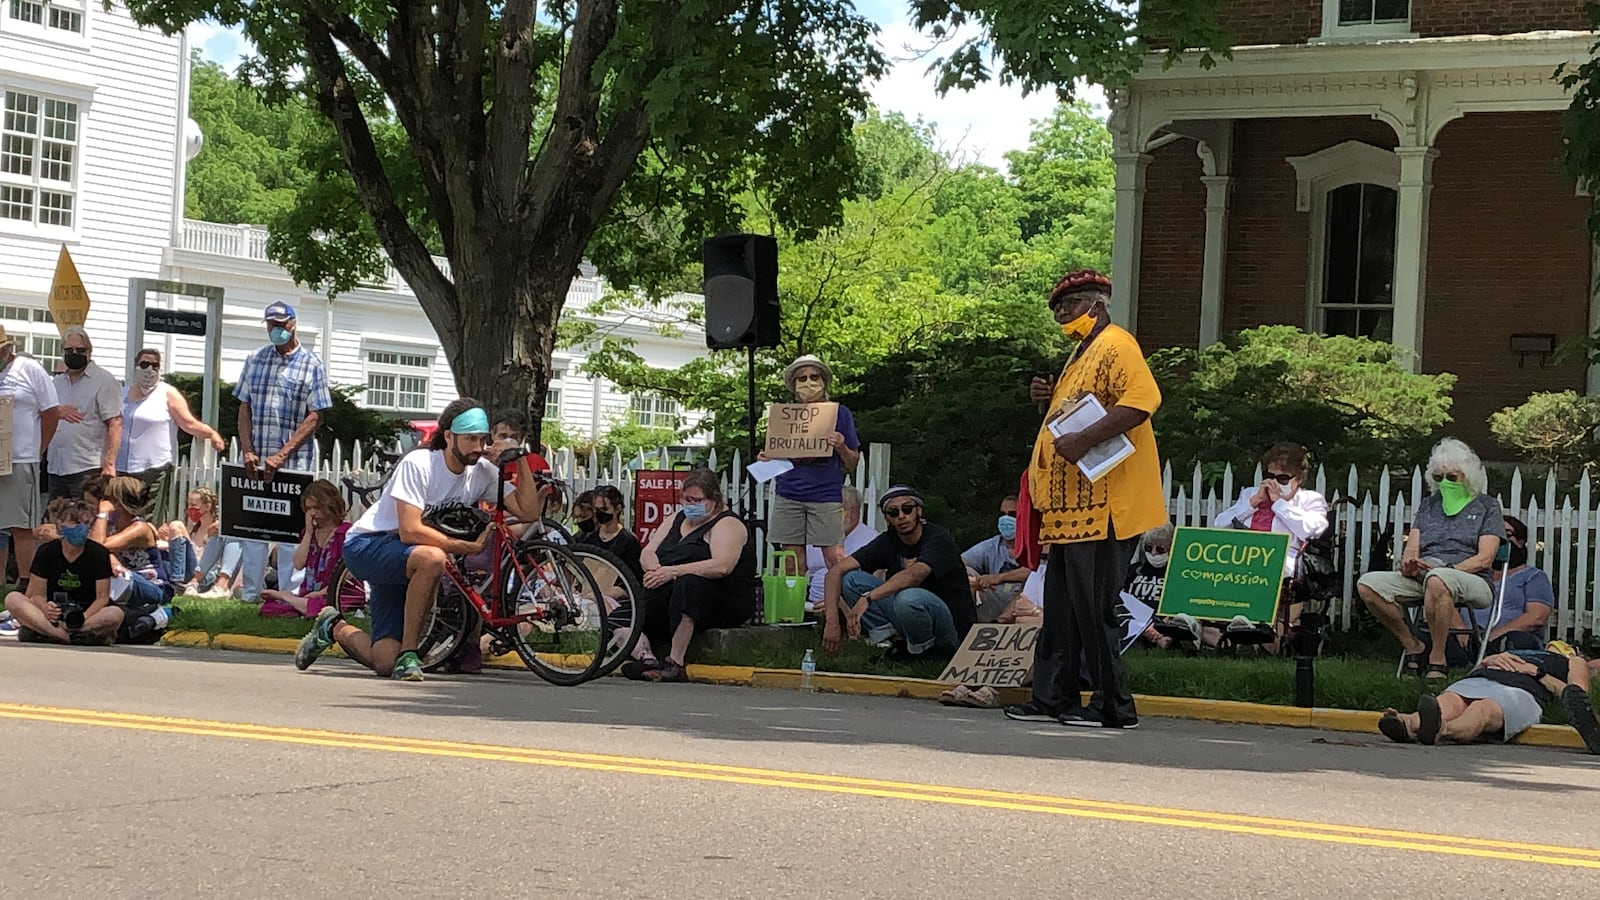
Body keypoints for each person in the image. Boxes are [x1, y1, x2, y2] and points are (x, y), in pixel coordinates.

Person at [1005, 269, 1166, 730]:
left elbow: (1142, 400)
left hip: (1105, 509)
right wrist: (1048, 397)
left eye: (1070, 306)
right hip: (1071, 515)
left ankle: (1114, 704)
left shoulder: (1116, 344)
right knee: (1061, 607)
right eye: (1057, 309)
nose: (1061, 315)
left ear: (1096, 305)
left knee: (1095, 607)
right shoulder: (1082, 354)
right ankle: (1053, 694)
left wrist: (1082, 440)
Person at [293, 399, 543, 681]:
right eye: (470, 439)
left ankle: (332, 626)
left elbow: (529, 511)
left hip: (408, 556)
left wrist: (518, 458)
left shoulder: (482, 473)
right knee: (434, 557)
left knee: (383, 663)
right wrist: (466, 547)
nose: (478, 446)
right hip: (369, 545)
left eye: (483, 439)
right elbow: (409, 531)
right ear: (449, 436)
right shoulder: (421, 463)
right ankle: (409, 655)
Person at [1357, 438, 1503, 679]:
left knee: (1438, 579)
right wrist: (1410, 564)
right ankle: (1413, 645)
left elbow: (1484, 559)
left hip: (1471, 577)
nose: (1445, 483)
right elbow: (1412, 548)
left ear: (1468, 476)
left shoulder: (1487, 507)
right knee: (1368, 584)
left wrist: (1446, 569)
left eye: (1452, 477)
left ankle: (1438, 657)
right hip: (1426, 574)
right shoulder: (1429, 505)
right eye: (1438, 478)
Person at [233, 302, 333, 603]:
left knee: (292, 534)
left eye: (280, 323)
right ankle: (251, 594)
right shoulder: (255, 360)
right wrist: (248, 450)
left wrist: (282, 454)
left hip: (294, 464)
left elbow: (315, 416)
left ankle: (289, 596)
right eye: (270, 324)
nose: (275, 329)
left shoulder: (311, 364)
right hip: (256, 462)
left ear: (293, 324)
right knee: (252, 531)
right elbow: (244, 407)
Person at [820, 485, 976, 660]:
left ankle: (924, 653)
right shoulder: (888, 540)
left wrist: (868, 597)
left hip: (951, 626)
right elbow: (835, 572)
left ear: (919, 511)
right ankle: (896, 640)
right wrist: (831, 621)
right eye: (893, 512)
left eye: (907, 509)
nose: (901, 516)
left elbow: (914, 575)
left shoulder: (938, 537)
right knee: (850, 580)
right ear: (887, 519)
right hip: (909, 613)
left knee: (909, 597)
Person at [631, 468, 757, 683]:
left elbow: (722, 566)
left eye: (696, 500)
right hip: (669, 588)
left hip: (720, 596)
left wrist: (672, 572)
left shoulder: (727, 524)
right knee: (633, 601)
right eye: (686, 499)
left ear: (713, 499)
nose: (690, 505)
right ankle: (646, 656)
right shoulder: (676, 519)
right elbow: (648, 550)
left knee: (688, 584)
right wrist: (653, 568)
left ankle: (676, 660)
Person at [1377, 644, 1600, 752]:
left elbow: (1575, 695)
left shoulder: (1572, 661)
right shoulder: (1519, 649)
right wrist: (1486, 661)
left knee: (1483, 709)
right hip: (1483, 677)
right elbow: (1473, 670)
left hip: (1521, 690)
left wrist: (1538, 673)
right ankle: (1408, 724)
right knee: (1449, 701)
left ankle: (1441, 730)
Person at [1214, 443, 1330, 650]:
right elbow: (1220, 524)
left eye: (1282, 478)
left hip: (1282, 560)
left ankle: (1251, 632)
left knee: (1273, 567)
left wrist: (1279, 504)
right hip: (1242, 557)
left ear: (1299, 479)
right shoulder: (1251, 493)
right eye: (1270, 475)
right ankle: (1203, 624)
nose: (1275, 483)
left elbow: (1311, 530)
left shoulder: (1309, 499)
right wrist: (1252, 503)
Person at [765, 354, 861, 578]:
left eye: (814, 376)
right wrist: (767, 460)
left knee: (836, 558)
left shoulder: (840, 414)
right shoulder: (784, 417)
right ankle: (793, 612)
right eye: (802, 378)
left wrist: (841, 446)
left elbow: (852, 462)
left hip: (825, 496)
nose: (809, 382)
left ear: (824, 381)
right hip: (788, 494)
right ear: (794, 385)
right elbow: (779, 460)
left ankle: (842, 611)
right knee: (791, 563)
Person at [2, 499, 118, 644]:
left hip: (86, 614)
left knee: (115, 614)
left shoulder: (99, 553)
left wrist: (82, 618)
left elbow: (102, 598)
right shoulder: (46, 551)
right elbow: (37, 594)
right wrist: (45, 608)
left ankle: (49, 633)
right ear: (61, 525)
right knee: (13, 598)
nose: (81, 528)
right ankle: (66, 636)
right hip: (52, 612)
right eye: (75, 523)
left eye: (86, 523)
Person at [116, 348, 227, 494]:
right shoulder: (122, 393)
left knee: (149, 515)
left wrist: (211, 433)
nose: (150, 369)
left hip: (154, 468)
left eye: (154, 366)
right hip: (121, 468)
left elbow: (188, 423)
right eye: (144, 364)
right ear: (136, 366)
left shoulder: (167, 393)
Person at [0, 325, 60, 591]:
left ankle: (29, 587)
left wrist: (39, 449)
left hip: (21, 459)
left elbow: (51, 412)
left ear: (7, 348)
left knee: (21, 527)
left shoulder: (29, 369)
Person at [259, 479, 364, 618]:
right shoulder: (309, 534)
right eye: (308, 509)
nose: (312, 513)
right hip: (310, 593)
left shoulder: (345, 533)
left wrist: (322, 593)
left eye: (316, 507)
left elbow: (348, 573)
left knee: (321, 608)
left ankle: (289, 598)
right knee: (269, 608)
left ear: (330, 505)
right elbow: (298, 564)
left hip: (340, 592)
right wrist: (308, 533)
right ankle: (296, 602)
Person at [46, 327, 122, 501]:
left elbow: (115, 423)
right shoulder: (56, 383)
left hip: (87, 467)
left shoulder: (104, 381)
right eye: (69, 350)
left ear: (89, 351)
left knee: (85, 522)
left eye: (80, 350)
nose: (74, 353)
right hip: (57, 466)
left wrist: (109, 464)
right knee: (56, 522)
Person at [86, 475, 172, 609]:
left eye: (108, 498)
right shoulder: (110, 525)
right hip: (125, 582)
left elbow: (97, 547)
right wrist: (110, 556)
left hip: (151, 586)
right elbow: (89, 549)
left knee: (116, 575)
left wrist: (103, 513)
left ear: (118, 503)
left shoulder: (140, 528)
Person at [1477, 515, 1553, 653]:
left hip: (1505, 638)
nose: (1499, 540)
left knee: (1519, 641)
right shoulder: (1474, 575)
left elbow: (1536, 618)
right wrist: (1463, 634)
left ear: (1520, 542)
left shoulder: (1533, 576)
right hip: (1466, 638)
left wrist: (1490, 638)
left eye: (1506, 534)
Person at [804, 485, 878, 614]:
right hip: (812, 604)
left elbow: (875, 583)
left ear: (856, 512)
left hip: (851, 607)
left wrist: (836, 604)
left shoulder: (872, 540)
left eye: (840, 510)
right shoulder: (816, 536)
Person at [964, 495, 1031, 623]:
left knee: (1029, 586)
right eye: (1002, 514)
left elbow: (1037, 570)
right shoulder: (992, 545)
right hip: (994, 602)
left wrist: (998, 578)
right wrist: (975, 582)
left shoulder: (1035, 546)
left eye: (1012, 514)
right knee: (964, 574)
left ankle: (1000, 623)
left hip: (1024, 606)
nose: (1006, 519)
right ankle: (966, 628)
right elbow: (959, 562)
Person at [184, 487, 244, 598]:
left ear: (207, 506)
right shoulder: (192, 529)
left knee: (222, 535)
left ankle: (219, 585)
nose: (189, 509)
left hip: (210, 572)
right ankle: (195, 582)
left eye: (193, 505)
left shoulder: (218, 529)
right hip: (196, 570)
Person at [577, 485, 644, 580]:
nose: (599, 513)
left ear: (617, 509)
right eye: (596, 509)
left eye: (604, 509)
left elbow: (634, 579)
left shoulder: (628, 542)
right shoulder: (586, 536)